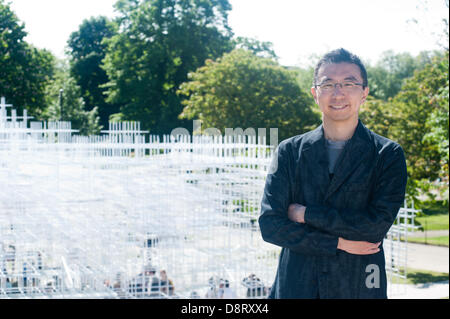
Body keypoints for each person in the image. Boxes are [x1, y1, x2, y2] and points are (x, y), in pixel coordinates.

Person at [259, 48, 407, 299]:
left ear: (364, 93)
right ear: (315, 94)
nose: (338, 92)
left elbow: (373, 228)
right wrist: (339, 243)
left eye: (349, 83)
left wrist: (306, 214)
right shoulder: (289, 152)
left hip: (358, 287)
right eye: (328, 84)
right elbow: (271, 225)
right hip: (297, 287)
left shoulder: (387, 154)